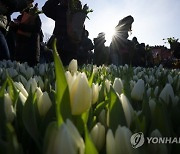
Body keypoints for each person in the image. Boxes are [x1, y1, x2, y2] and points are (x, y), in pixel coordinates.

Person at [42, 0, 84, 66]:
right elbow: (46, 9)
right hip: (58, 46)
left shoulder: (77, 11)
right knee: (55, 70)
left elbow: (80, 29)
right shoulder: (60, 9)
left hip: (72, 48)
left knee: (69, 71)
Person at [13, 0, 42, 66]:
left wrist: (20, 26)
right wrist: (13, 26)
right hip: (20, 51)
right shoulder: (20, 17)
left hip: (32, 51)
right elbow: (16, 31)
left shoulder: (35, 16)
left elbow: (37, 29)